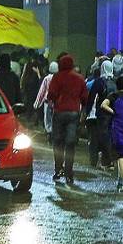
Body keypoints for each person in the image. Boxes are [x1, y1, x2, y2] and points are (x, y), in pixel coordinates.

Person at [46, 54, 88, 184]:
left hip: (59, 112)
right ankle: (69, 173)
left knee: (58, 142)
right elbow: (85, 97)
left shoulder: (57, 77)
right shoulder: (79, 78)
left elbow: (51, 94)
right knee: (70, 144)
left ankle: (58, 169)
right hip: (73, 113)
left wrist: (53, 101)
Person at [86, 60, 116, 169]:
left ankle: (107, 161)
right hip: (113, 112)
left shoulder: (99, 81)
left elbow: (91, 98)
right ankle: (108, 160)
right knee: (109, 136)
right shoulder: (115, 81)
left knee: (102, 137)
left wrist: (87, 111)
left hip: (102, 113)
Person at [34, 61, 58, 137]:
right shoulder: (60, 78)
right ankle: (54, 132)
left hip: (47, 102)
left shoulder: (47, 78)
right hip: (57, 102)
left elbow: (41, 92)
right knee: (55, 118)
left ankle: (49, 132)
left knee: (47, 118)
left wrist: (37, 104)